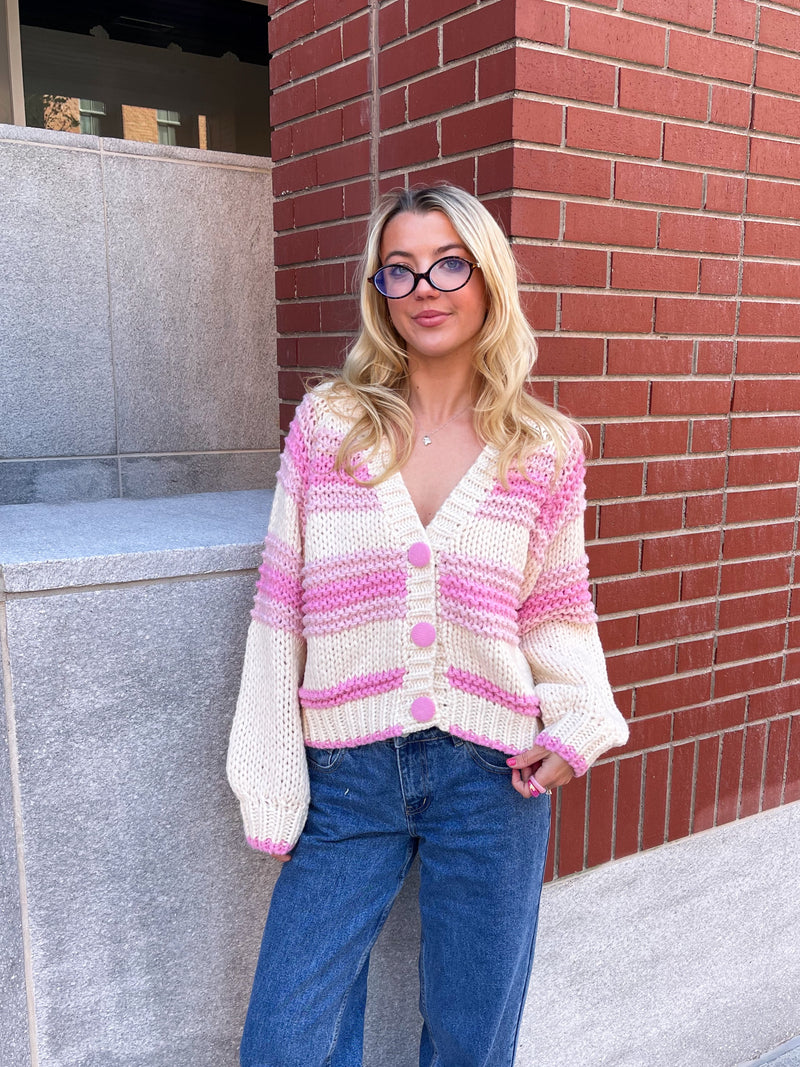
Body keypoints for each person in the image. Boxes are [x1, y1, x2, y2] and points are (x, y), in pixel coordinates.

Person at [227, 183, 629, 1067]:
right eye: (399, 270)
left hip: (494, 777)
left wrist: (581, 722)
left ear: (487, 279)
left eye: (448, 263)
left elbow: (557, 604)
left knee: (470, 1042)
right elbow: (279, 605)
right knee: (285, 1042)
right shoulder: (329, 426)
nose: (423, 288)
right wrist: (269, 769)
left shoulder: (545, 447)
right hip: (348, 774)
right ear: (379, 292)